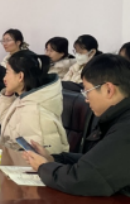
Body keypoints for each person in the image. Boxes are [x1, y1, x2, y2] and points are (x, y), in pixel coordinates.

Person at [23, 54, 130, 196]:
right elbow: (96, 161)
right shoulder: (118, 119)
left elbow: (84, 178)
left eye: (87, 91)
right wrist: (54, 159)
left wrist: (43, 167)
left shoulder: (125, 128)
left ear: (108, 90)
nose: (86, 99)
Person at [0, 50, 69, 165]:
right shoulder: (27, 98)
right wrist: (8, 96)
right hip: (13, 163)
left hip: (24, 171)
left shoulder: (35, 112)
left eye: (7, 72)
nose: (4, 78)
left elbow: (41, 163)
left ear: (20, 76)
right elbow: (6, 122)